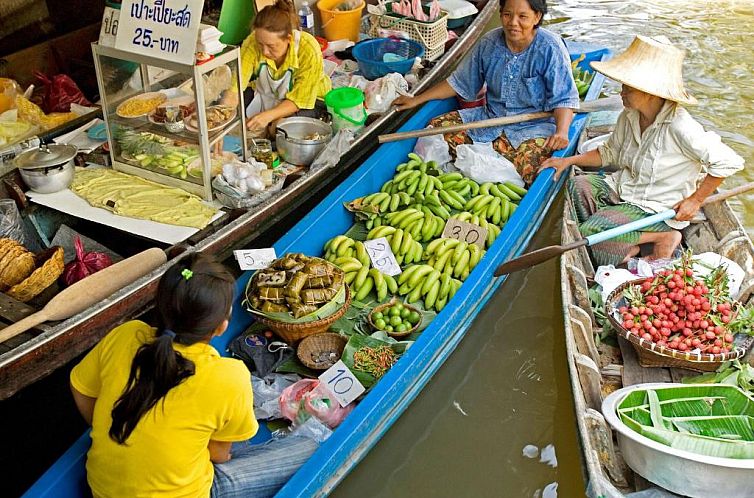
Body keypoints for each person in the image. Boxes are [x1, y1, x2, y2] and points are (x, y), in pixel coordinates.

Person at [70, 254, 317, 497]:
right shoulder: (229, 376)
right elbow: (219, 455)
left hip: (102, 490)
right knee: (309, 448)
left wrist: (120, 423)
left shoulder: (125, 334)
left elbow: (81, 389)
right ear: (222, 325)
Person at [540, 35, 745, 267]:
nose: (621, 92)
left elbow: (728, 162)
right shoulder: (629, 116)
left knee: (593, 231)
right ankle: (620, 243)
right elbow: (609, 153)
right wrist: (568, 162)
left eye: (628, 88)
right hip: (625, 191)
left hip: (658, 209)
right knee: (578, 186)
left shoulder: (680, 126)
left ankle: (661, 237)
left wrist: (695, 200)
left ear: (650, 92)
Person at [393, 0, 579, 185]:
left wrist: (562, 132)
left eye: (522, 16)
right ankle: (480, 166)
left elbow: (564, 98)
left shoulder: (550, 47)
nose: (513, 22)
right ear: (500, 15)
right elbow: (460, 83)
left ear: (536, 17)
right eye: (507, 15)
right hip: (490, 118)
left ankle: (486, 168)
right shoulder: (489, 43)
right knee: (437, 128)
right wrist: (417, 99)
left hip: (533, 128)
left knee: (533, 167)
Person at [226, 0, 331, 137]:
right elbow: (234, 89)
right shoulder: (252, 43)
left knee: (280, 128)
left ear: (288, 39)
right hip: (267, 94)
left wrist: (267, 116)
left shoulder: (308, 49)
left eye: (271, 46)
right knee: (232, 117)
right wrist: (222, 124)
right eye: (260, 44)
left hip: (307, 101)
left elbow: (299, 100)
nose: (264, 51)